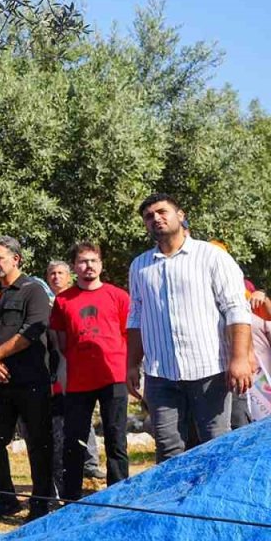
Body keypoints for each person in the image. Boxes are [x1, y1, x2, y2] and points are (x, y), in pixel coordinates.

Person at [127, 194, 253, 462]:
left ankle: (216, 502)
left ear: (180, 215)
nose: (156, 219)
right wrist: (131, 364)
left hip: (210, 371)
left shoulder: (211, 256)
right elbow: (136, 318)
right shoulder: (140, 266)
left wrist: (240, 358)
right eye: (149, 217)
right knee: (168, 448)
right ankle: (175, 505)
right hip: (161, 375)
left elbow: (236, 309)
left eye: (162, 212)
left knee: (216, 444)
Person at [0, 236, 55, 521]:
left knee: (38, 441)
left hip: (31, 379)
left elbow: (33, 330)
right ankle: (6, 499)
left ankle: (41, 502)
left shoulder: (34, 290)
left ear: (16, 259)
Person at [49, 241, 131, 500]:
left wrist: (132, 368)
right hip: (78, 381)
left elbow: (129, 334)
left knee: (116, 438)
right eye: (83, 261)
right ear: (74, 267)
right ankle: (71, 497)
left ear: (101, 264)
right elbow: (61, 341)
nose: (89, 266)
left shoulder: (118, 296)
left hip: (113, 376)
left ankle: (118, 494)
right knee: (74, 441)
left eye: (93, 261)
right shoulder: (63, 300)